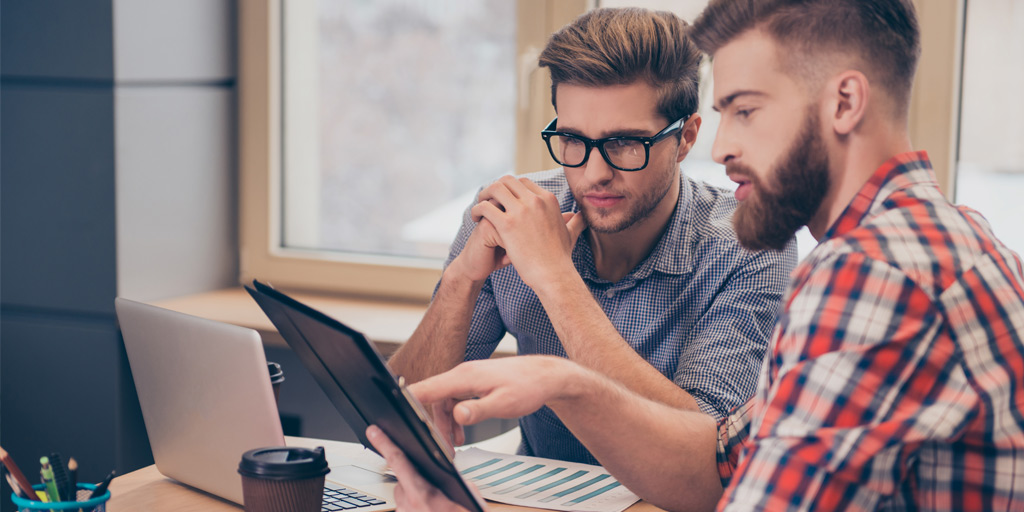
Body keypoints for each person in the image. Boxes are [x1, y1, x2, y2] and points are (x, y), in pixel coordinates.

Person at [368, 0, 1024, 510]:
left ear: (844, 102)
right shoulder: (947, 234)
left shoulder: (868, 273)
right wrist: (557, 375)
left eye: (744, 111)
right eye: (573, 141)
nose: (724, 148)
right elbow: (729, 460)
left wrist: (556, 293)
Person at [387, 7, 796, 465]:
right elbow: (391, 423)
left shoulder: (751, 243)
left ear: (686, 138)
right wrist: (463, 280)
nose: (594, 173)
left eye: (624, 143)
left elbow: (708, 448)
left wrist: (555, 278)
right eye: (573, 140)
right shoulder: (512, 218)